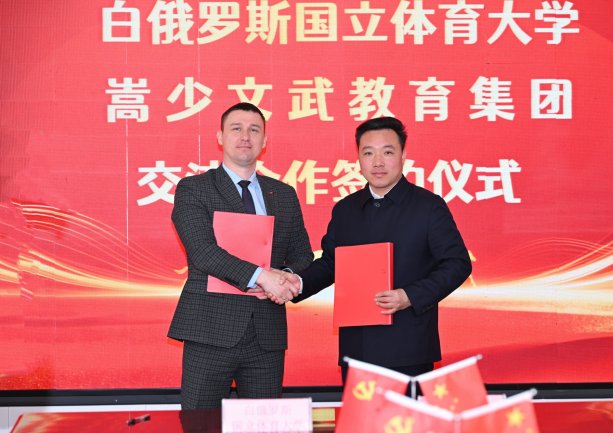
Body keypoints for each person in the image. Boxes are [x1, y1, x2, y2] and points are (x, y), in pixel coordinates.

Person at [284, 116, 472, 382]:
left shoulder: (428, 206)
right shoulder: (346, 209)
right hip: (357, 348)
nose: (378, 162)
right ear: (359, 159)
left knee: (406, 412)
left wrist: (410, 296)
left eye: (388, 152)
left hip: (410, 347)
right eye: (368, 153)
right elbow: (331, 263)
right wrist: (298, 282)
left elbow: (457, 263)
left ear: (403, 155)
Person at [168, 102, 313, 408]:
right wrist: (263, 278)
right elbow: (203, 252)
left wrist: (286, 279)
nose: (245, 136)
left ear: (264, 141)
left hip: (266, 334)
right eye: (236, 129)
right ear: (220, 137)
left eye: (254, 130)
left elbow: (302, 254)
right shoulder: (194, 189)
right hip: (209, 330)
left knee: (264, 423)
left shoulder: (283, 194)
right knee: (200, 424)